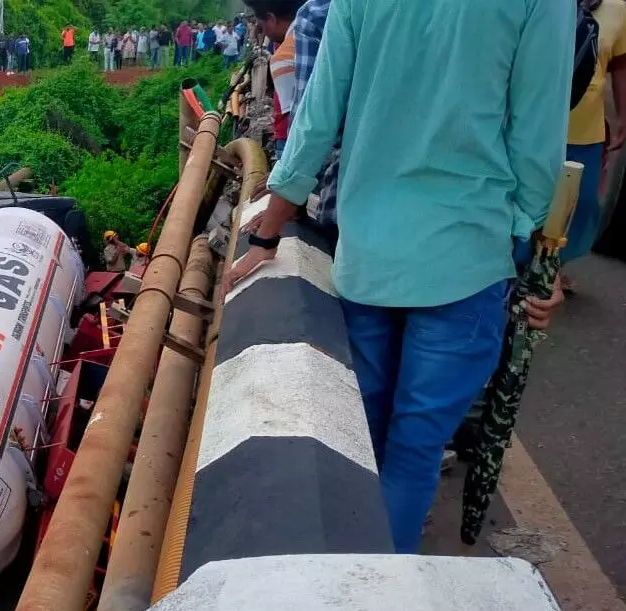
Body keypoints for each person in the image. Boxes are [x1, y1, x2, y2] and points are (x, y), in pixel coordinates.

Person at [223, 0, 574, 554]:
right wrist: (530, 249)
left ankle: (349, 577)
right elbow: (537, 138)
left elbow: (317, 118)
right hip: (468, 255)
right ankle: (384, 595)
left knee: (361, 436)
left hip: (369, 253)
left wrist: (267, 234)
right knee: (413, 452)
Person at [566, 0, 626, 286]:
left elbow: (620, 66)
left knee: (584, 204)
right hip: (536, 121)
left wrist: (623, 116)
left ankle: (553, 263)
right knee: (532, 196)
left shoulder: (618, 8)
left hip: (586, 126)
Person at [246, 0, 304, 157]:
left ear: (271, 19)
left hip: (290, 143)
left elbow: (292, 120)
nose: (264, 33)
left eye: (262, 26)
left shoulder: (284, 55)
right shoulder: (317, 34)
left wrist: (284, 168)